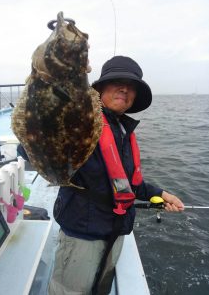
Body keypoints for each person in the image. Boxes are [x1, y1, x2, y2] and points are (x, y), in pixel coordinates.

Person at [47, 55, 184, 295]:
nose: (125, 88)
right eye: (116, 82)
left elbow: (128, 183)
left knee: (101, 289)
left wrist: (162, 194)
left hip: (115, 231)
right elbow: (42, 151)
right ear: (99, 89)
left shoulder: (122, 129)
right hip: (82, 234)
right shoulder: (81, 120)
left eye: (131, 86)